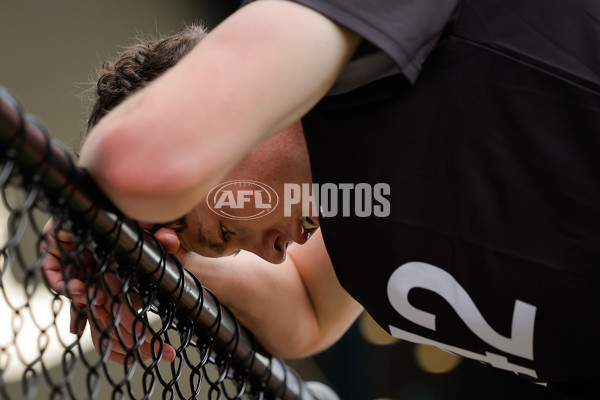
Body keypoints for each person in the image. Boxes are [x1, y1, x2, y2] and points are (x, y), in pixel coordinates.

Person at [44, 0, 600, 398]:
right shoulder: (352, 201)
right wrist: (143, 257)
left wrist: (86, 212)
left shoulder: (356, 43)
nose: (273, 255)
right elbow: (306, 310)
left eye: (230, 231)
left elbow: (132, 161)